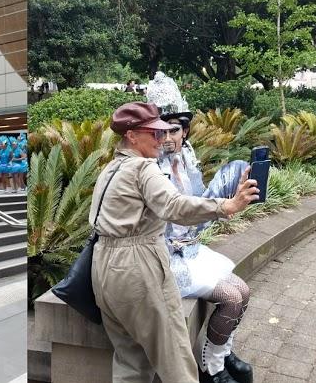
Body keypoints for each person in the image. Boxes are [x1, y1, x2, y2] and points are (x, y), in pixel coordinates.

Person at [90, 102, 258, 383]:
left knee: (130, 362)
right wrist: (226, 206)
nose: (161, 138)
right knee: (177, 362)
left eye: (165, 131)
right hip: (137, 268)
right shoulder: (143, 168)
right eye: (153, 133)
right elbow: (175, 207)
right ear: (132, 136)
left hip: (104, 269)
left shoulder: (110, 170)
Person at [146, 73, 255, 383]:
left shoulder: (184, 162)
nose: (168, 139)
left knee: (243, 291)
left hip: (191, 252)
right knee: (232, 299)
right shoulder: (152, 170)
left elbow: (201, 201)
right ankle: (213, 369)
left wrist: (233, 185)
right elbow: (178, 212)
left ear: (185, 131)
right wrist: (222, 208)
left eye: (175, 131)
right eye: (161, 132)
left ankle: (219, 352)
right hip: (166, 260)